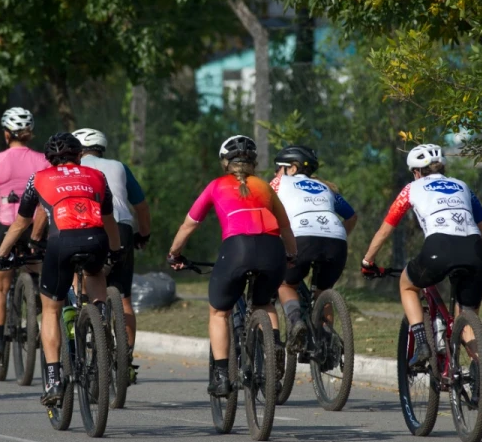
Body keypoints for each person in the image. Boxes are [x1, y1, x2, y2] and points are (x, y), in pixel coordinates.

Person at [0, 132, 122, 407]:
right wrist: (115, 249)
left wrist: (2, 253)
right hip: (96, 239)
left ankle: (53, 380)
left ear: (49, 160)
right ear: (79, 155)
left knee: (51, 309)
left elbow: (21, 223)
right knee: (95, 273)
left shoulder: (38, 178)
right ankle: (100, 326)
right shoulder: (97, 177)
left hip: (61, 243)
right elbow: (108, 218)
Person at [166, 135, 298, 397]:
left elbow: (189, 224)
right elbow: (285, 227)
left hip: (236, 250)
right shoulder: (265, 186)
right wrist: (291, 254)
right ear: (254, 163)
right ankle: (273, 358)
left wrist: (174, 253)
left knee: (219, 311)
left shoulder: (216, 186)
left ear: (225, 163)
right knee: (265, 303)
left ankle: (221, 376)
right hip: (272, 250)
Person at [361, 143, 482, 367]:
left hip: (439, 247)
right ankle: (478, 380)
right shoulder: (463, 186)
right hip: (474, 250)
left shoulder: (411, 189)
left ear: (416, 172)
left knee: (407, 285)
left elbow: (385, 230)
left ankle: (422, 343)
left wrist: (368, 261)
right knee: (467, 318)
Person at [73, 128, 151, 384]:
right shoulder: (119, 166)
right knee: (124, 297)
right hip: (121, 228)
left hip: (88, 226)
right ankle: (125, 360)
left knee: (84, 279)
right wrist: (144, 234)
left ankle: (84, 321)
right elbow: (140, 205)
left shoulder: (73, 168)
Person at [0, 107, 49, 366]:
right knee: (40, 275)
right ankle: (41, 319)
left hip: (5, 223)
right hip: (34, 226)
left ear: (7, 134)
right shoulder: (43, 160)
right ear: (29, 135)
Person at [270, 145, 357, 352]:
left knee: (285, 284)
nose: (276, 172)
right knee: (323, 290)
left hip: (302, 237)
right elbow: (352, 216)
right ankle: (326, 340)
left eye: (279, 168)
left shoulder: (279, 182)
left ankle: (295, 322)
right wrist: (335, 233)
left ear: (291, 168)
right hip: (337, 239)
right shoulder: (326, 187)